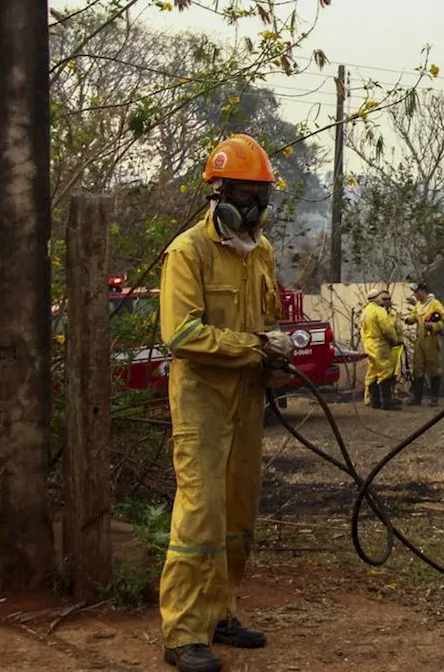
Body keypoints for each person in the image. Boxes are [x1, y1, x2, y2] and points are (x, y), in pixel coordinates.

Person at [157, 134, 293, 672]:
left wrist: (277, 349)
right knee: (200, 516)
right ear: (218, 193)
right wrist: (253, 348)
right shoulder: (188, 251)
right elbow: (182, 335)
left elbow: (266, 319)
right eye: (245, 193)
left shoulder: (260, 251)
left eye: (262, 195)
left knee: (238, 514)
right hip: (203, 405)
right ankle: (183, 633)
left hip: (247, 400)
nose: (255, 207)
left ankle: (220, 613)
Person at [406, 282, 444, 406]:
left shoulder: (435, 304)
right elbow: (414, 315)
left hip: (432, 340)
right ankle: (417, 397)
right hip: (419, 340)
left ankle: (434, 398)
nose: (415, 296)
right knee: (417, 368)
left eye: (417, 293)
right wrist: (410, 319)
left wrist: (434, 325)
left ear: (423, 292)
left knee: (434, 368)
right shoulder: (418, 305)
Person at [360, 288, 403, 410]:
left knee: (373, 372)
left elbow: (363, 330)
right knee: (385, 372)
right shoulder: (379, 311)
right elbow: (388, 328)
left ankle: (375, 402)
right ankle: (386, 403)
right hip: (380, 345)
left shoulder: (365, 312)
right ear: (376, 298)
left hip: (369, 345)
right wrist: (394, 340)